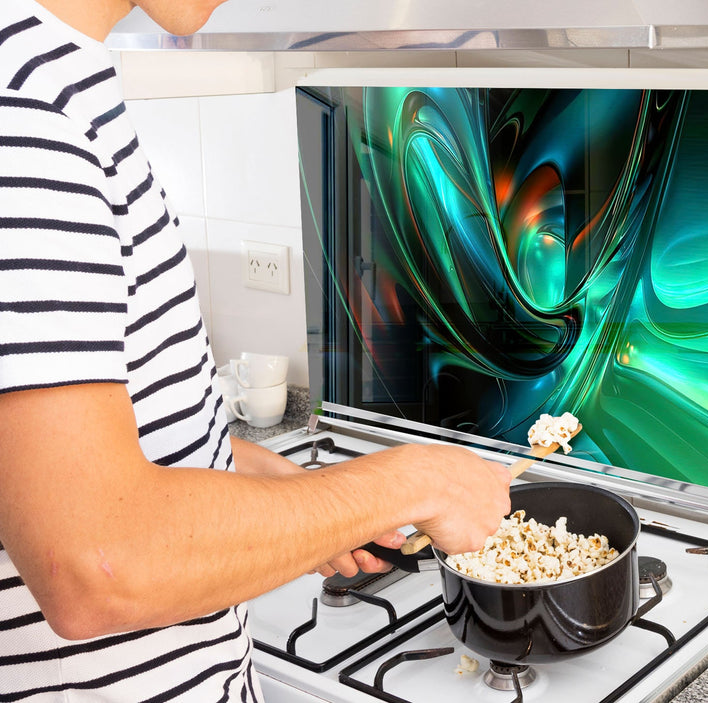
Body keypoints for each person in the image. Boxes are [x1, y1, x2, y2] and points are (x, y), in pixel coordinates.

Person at [0, 0, 513, 699]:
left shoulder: (56, 80)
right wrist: (416, 480)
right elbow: (97, 563)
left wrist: (294, 497)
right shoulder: (24, 116)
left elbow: (79, 453)